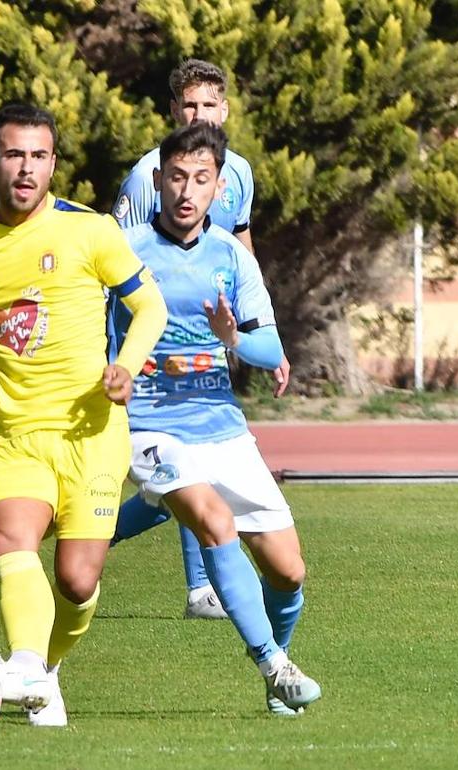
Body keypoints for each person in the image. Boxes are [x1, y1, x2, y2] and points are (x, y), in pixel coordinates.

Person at [0, 102, 167, 727]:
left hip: (91, 437)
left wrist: (128, 365)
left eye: (38, 156)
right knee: (12, 541)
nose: (25, 168)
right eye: (13, 154)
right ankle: (26, 663)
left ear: (54, 163)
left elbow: (150, 309)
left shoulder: (91, 231)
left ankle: (46, 669)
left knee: (78, 581)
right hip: (15, 440)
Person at [110, 122, 320, 715]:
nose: (187, 190)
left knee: (288, 571)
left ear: (218, 186)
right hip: (146, 424)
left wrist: (233, 338)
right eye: (177, 177)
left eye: (201, 179)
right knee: (213, 521)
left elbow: (271, 350)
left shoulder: (231, 256)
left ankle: (277, 676)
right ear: (158, 179)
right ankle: (272, 663)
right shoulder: (121, 249)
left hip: (221, 425)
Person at [111, 58, 290, 620]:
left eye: (209, 105)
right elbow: (116, 262)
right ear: (172, 111)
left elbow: (239, 243)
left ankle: (84, 533)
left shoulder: (237, 172)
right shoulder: (149, 177)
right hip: (149, 360)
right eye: (189, 106)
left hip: (213, 337)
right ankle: (199, 589)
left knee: (174, 492)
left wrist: (254, 330)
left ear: (226, 110)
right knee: (188, 478)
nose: (199, 114)